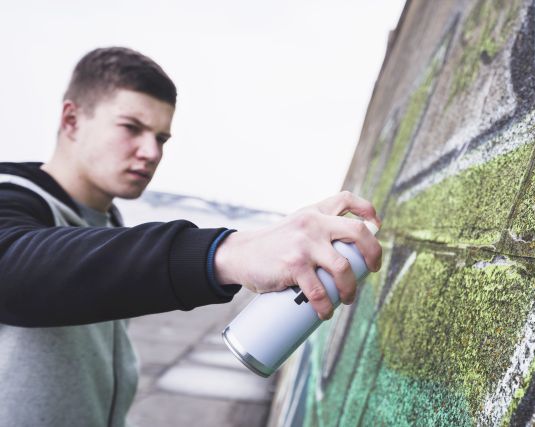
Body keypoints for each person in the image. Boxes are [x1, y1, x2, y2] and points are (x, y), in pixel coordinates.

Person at [0, 47, 382, 427]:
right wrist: (229, 252)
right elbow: (15, 270)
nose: (150, 152)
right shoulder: (10, 196)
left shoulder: (107, 224)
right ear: (72, 120)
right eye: (131, 127)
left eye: (162, 138)